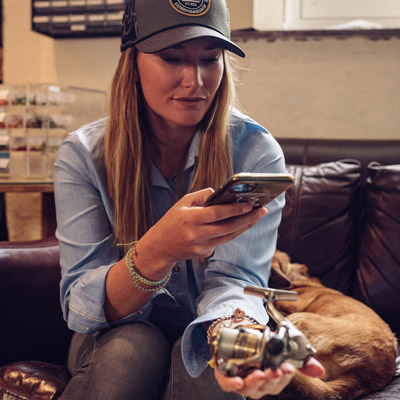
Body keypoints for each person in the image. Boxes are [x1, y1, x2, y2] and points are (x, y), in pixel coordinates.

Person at [55, 0, 325, 399]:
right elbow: (82, 306)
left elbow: (236, 282)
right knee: (131, 350)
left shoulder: (255, 151)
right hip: (114, 335)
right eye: (172, 57)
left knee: (208, 362)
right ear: (133, 61)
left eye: (210, 59)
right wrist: (157, 250)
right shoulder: (83, 155)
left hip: (210, 320)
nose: (195, 80)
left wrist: (233, 333)